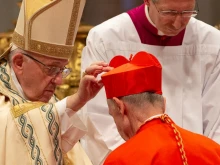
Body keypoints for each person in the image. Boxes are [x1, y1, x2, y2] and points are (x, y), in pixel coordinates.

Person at [80, 0, 220, 164]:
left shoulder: (212, 42)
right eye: (169, 13)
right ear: (147, 1)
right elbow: (98, 115)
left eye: (187, 12)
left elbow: (216, 118)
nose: (177, 23)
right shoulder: (106, 37)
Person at [0, 0, 110, 164]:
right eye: (51, 69)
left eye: (62, 70)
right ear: (19, 63)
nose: (59, 81)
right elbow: (11, 123)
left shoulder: (47, 99)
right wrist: (77, 100)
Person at [101, 51, 220, 165]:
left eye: (113, 115)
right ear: (164, 103)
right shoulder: (213, 150)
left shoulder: (120, 160)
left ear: (119, 107)